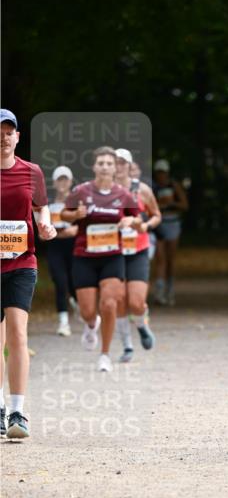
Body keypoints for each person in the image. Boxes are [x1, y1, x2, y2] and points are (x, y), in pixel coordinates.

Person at [0, 108, 57, 439]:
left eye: (9, 131)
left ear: (18, 137)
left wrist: (45, 224)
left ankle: (18, 412)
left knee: (18, 334)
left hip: (22, 261)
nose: (4, 137)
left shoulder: (31, 172)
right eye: (0, 131)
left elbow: (40, 207)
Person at [60, 146, 140, 373]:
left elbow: (136, 218)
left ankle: (104, 354)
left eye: (109, 163)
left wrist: (128, 222)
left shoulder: (123, 195)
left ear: (116, 168)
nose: (105, 167)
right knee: (87, 310)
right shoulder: (81, 191)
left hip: (112, 257)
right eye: (101, 163)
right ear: (94, 167)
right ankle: (90, 324)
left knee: (109, 303)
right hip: (84, 256)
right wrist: (75, 215)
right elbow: (64, 214)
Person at [113, 148, 161, 361]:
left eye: (123, 162)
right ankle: (127, 346)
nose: (119, 166)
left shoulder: (141, 190)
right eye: (116, 162)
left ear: (130, 166)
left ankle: (141, 325)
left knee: (136, 301)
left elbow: (156, 215)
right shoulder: (103, 192)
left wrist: (146, 226)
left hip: (138, 249)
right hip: (113, 251)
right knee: (119, 299)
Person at [45, 165, 78, 336]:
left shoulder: (76, 204)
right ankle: (63, 322)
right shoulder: (48, 205)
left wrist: (58, 232)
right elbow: (43, 234)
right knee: (60, 282)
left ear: (71, 181)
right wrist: (61, 232)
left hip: (74, 248)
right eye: (60, 179)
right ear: (54, 182)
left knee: (74, 283)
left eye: (65, 179)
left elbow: (78, 230)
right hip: (54, 249)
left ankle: (79, 305)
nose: (63, 182)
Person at [152, 159, 188, 305]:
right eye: (159, 172)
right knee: (160, 258)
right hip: (159, 224)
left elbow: (184, 205)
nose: (161, 175)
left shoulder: (174, 185)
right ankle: (159, 291)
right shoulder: (152, 187)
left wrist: (171, 203)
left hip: (173, 223)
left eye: (163, 172)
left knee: (170, 259)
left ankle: (170, 288)